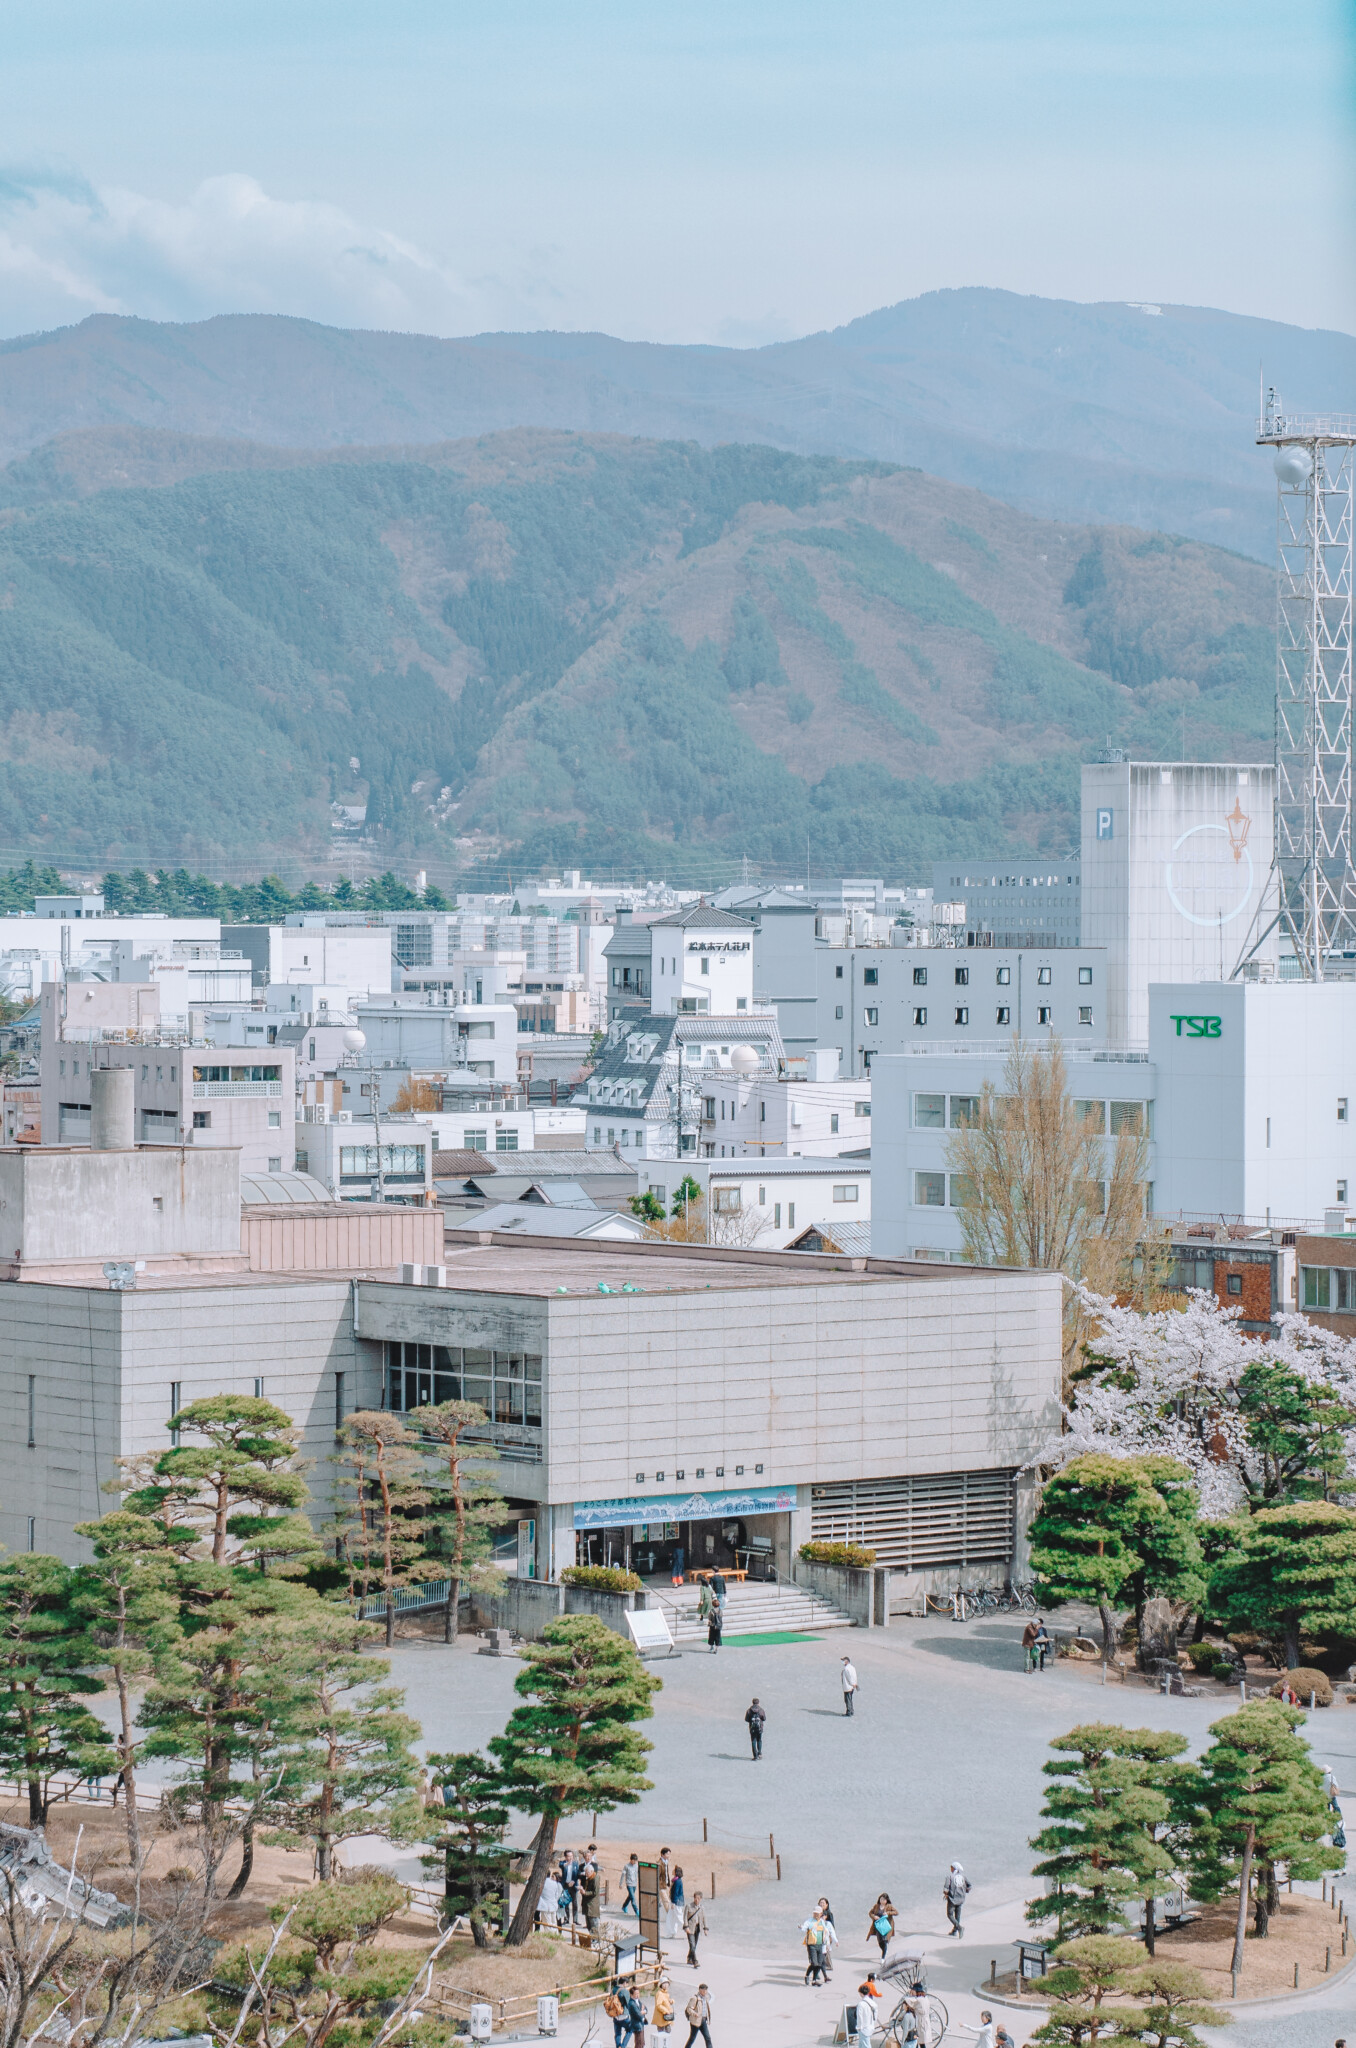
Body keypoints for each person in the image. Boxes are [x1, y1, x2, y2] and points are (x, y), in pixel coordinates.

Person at [802, 1906, 831, 1985]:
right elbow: (804, 1927)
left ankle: (814, 1981)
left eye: (817, 1913)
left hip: (820, 1945)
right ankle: (807, 1976)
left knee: (819, 1963)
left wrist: (827, 1944)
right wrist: (801, 1927)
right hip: (812, 1945)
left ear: (821, 1914)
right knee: (814, 1963)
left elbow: (826, 1933)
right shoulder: (809, 1921)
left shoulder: (822, 1922)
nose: (815, 1915)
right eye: (814, 1913)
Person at [943, 1861, 970, 1937]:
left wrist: (946, 1894)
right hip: (961, 1899)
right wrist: (964, 1891)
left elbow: (945, 1889)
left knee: (950, 1915)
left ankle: (959, 1928)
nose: (950, 1869)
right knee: (957, 1916)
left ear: (954, 1868)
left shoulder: (950, 1877)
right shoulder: (963, 1877)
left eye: (951, 1867)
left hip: (952, 1899)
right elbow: (969, 1886)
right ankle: (954, 1931)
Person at [684, 1889, 708, 1967]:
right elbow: (684, 1918)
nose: (696, 1900)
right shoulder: (688, 1906)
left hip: (697, 1928)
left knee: (694, 1945)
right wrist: (686, 1927)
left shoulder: (702, 1908)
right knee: (692, 1944)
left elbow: (704, 1918)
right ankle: (695, 1961)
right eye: (695, 1898)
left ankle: (689, 1958)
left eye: (698, 1898)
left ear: (700, 1899)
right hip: (690, 1928)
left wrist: (705, 1928)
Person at [817, 1898, 838, 1978]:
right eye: (820, 1903)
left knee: (825, 1951)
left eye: (823, 1903)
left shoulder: (828, 1913)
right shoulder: (818, 1913)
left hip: (827, 1936)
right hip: (820, 1936)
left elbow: (832, 1925)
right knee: (824, 1951)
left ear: (827, 1904)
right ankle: (825, 1965)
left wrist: (831, 1937)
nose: (821, 1904)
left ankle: (827, 1965)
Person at [854, 1982, 879, 2047]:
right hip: (870, 2026)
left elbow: (859, 2017)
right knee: (862, 2044)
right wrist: (873, 2024)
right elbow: (875, 2015)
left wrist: (859, 2027)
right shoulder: (873, 2003)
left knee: (866, 2045)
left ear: (861, 1993)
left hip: (863, 2028)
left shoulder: (861, 2004)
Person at [653, 1976, 675, 2042]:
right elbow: (658, 2005)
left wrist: (671, 2001)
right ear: (661, 1985)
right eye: (664, 1984)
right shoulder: (659, 1993)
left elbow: (665, 2001)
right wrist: (665, 2011)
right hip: (661, 2016)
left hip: (666, 2017)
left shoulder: (666, 1993)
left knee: (668, 2032)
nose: (666, 1985)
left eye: (667, 1984)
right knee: (661, 2034)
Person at [669, 1863, 686, 1939]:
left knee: (679, 1918)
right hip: (678, 1901)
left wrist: (673, 1902)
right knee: (674, 1918)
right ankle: (673, 1932)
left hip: (677, 1902)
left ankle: (687, 1929)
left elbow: (675, 1893)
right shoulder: (677, 1880)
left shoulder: (677, 1881)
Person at [621, 1851, 640, 1917]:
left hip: (634, 1884)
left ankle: (624, 1906)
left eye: (636, 1861)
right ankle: (636, 1911)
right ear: (631, 1860)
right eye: (634, 1861)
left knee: (630, 1897)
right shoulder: (626, 1866)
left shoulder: (636, 1866)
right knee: (633, 1898)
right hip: (629, 1884)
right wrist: (621, 1884)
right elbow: (623, 1875)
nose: (635, 1862)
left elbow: (639, 1873)